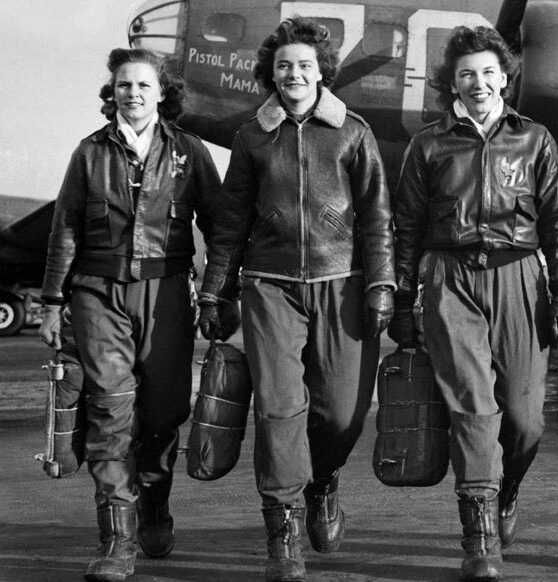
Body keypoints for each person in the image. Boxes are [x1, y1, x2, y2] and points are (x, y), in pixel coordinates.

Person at [197, 17, 395, 582]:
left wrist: (381, 284)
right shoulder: (251, 138)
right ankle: (281, 529)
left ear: (321, 71)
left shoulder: (354, 132)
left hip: (343, 283)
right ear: (271, 74)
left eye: (304, 64)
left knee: (340, 412)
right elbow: (230, 224)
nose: (294, 73)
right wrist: (216, 291)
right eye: (284, 65)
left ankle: (323, 481)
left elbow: (377, 218)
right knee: (280, 409)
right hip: (270, 285)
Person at [389, 25, 558, 582]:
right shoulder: (428, 145)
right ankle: (479, 537)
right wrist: (404, 300)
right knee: (473, 409)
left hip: (519, 275)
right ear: (452, 82)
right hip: (450, 280)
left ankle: (507, 488)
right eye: (467, 73)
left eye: (489, 72)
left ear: (504, 78)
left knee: (524, 420)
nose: (478, 82)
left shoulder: (535, 139)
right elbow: (406, 228)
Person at [39, 48, 226, 581]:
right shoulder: (88, 152)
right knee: (111, 411)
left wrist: (216, 294)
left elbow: (217, 228)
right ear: (112, 92)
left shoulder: (190, 151)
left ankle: (155, 504)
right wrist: (53, 302)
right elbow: (65, 229)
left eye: (144, 85)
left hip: (166, 292)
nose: (134, 94)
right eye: (124, 85)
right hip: (97, 292)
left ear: (162, 92)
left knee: (164, 413)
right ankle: (117, 542)